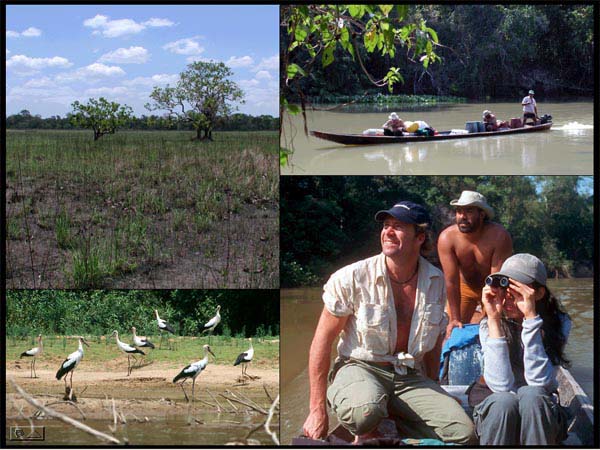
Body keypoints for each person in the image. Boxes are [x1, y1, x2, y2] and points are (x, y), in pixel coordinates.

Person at [302, 201, 476, 445]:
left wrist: (435, 390)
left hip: (409, 375)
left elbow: (434, 344)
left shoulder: (436, 281)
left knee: (464, 434)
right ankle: (375, 417)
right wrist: (316, 409)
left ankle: (394, 420)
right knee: (365, 413)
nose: (388, 232)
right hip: (361, 367)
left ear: (420, 237)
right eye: (386, 226)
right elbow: (322, 342)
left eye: (398, 226)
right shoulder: (351, 277)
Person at [473, 253, 571, 445]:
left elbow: (538, 383)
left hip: (539, 412)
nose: (508, 297)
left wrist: (531, 318)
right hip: (499, 413)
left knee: (531, 395)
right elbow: (500, 387)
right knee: (504, 401)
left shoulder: (560, 323)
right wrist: (494, 320)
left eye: (517, 290)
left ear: (539, 293)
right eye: (505, 287)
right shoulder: (488, 324)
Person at [437, 191, 513, 337]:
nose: (462, 217)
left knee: (493, 330)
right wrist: (454, 318)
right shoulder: (447, 238)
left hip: (492, 287)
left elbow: (496, 281)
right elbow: (451, 281)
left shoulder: (499, 236)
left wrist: (492, 317)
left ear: (482, 214)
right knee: (452, 333)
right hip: (464, 287)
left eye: (469, 211)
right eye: (459, 211)